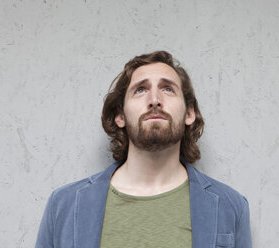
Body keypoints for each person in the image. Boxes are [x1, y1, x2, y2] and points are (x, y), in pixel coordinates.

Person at [35, 51, 252, 248]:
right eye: (140, 90)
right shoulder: (64, 205)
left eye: (168, 89)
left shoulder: (230, 206)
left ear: (189, 113)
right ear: (120, 115)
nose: (155, 100)